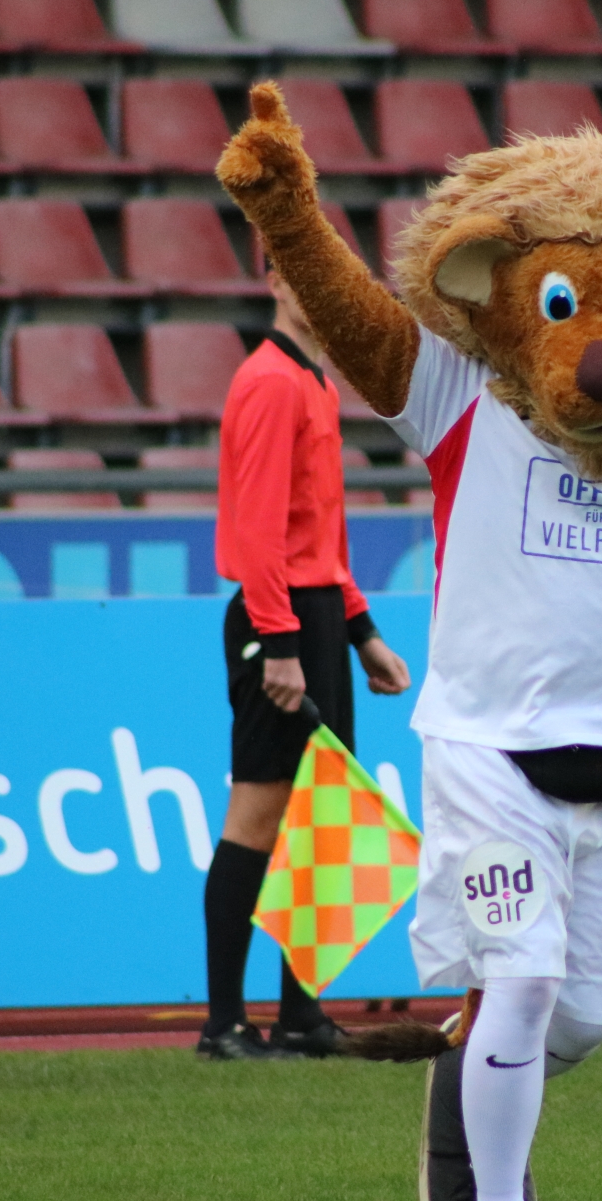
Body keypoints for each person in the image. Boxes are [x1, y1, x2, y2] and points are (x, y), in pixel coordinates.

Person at [199, 262, 412, 1061]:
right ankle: (223, 1024)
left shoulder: (314, 381)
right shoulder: (269, 382)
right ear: (275, 281)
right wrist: (280, 644)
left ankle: (299, 1016)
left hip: (314, 616)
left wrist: (360, 631)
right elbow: (258, 533)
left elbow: (321, 534)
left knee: (323, 816)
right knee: (257, 815)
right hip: (279, 620)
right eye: (302, 273)